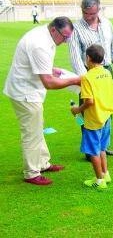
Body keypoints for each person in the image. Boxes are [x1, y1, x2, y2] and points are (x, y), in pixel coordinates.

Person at [3, 17, 81, 186]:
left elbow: (37, 66)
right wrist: (75, 81)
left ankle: (43, 163)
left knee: (38, 126)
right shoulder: (39, 43)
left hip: (29, 90)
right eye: (64, 36)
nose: (66, 41)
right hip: (25, 93)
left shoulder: (45, 35)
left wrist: (51, 69)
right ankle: (31, 172)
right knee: (31, 132)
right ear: (54, 30)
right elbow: (49, 82)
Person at [69, 0, 113, 156]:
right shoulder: (76, 29)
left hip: (107, 71)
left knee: (106, 109)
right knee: (88, 110)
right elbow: (75, 57)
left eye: (92, 14)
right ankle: (91, 150)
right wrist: (85, 78)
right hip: (87, 73)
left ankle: (103, 147)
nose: (88, 17)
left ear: (98, 10)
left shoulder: (107, 24)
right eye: (85, 14)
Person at [70, 44, 113, 190]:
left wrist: (77, 110)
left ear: (88, 58)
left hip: (94, 119)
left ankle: (99, 180)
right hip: (106, 115)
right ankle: (105, 174)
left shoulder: (87, 78)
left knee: (92, 150)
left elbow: (89, 101)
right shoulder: (107, 73)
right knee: (102, 148)